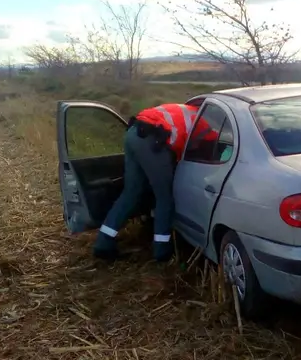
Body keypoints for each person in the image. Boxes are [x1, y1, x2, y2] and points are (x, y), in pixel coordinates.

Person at [92, 103, 217, 262]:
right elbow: (198, 149)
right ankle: (162, 251)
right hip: (152, 142)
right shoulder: (204, 127)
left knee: (131, 192)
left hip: (134, 133)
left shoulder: (184, 110)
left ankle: (103, 243)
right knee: (164, 197)